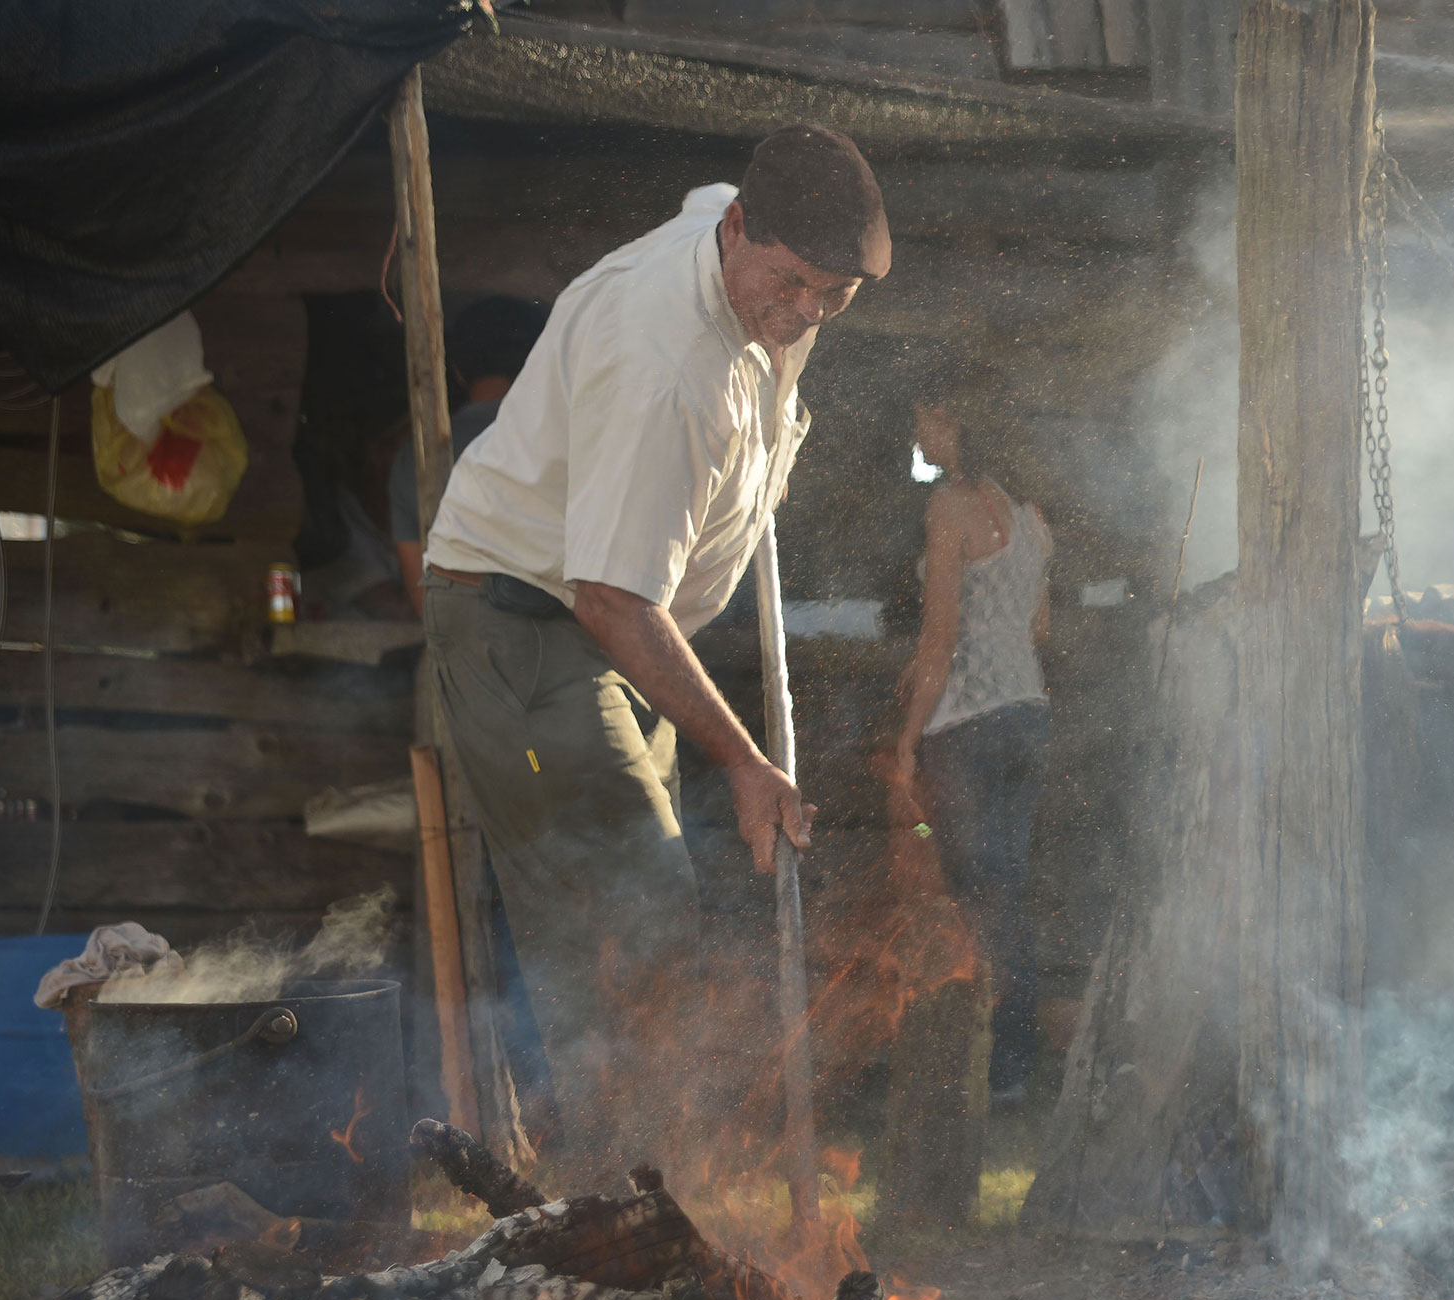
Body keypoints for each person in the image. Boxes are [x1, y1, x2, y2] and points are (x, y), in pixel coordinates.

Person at [418, 123, 890, 1181]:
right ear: (737, 234)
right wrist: (743, 761)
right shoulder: (666, 364)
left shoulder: (737, 235)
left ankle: (651, 1189)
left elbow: (725, 204)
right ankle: (613, 1205)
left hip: (613, 629)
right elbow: (612, 595)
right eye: (794, 283)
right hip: (534, 621)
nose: (808, 310)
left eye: (835, 294)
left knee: (646, 907)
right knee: (623, 919)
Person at [892, 388, 1052, 1102]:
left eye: (924, 419)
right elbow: (1038, 628)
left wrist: (906, 738)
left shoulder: (950, 507)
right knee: (1005, 890)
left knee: (972, 897)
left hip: (969, 721)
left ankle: (987, 1061)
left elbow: (939, 639)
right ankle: (1013, 1063)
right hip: (1027, 712)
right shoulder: (1030, 517)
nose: (917, 434)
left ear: (951, 419)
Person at [388, 296, 552, 614]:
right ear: (542, 362)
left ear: (458, 372)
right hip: (570, 652)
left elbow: (426, 603)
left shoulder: (414, 459)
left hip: (464, 652)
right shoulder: (574, 443)